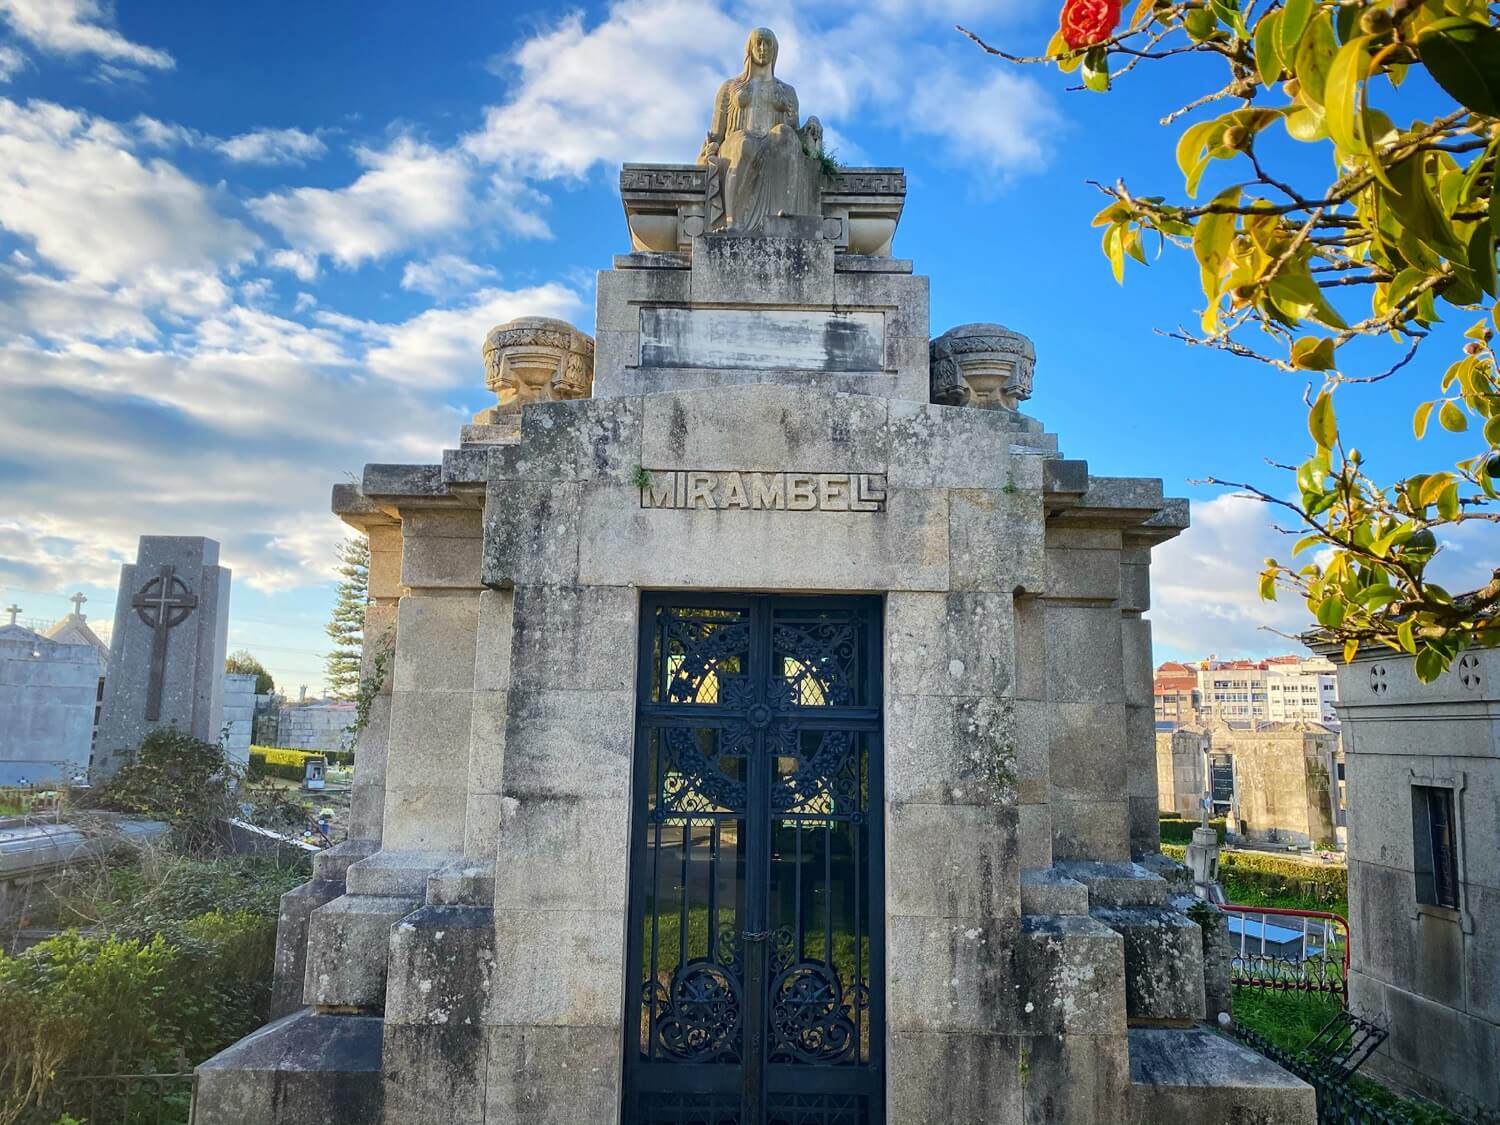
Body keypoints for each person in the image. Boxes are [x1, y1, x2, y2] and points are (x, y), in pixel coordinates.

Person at [699, 28, 824, 233]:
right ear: (750, 48)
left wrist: (812, 122)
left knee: (784, 133)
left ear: (775, 50)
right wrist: (707, 151)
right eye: (758, 43)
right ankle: (734, 223)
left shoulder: (787, 91)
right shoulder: (730, 87)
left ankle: (782, 214)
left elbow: (795, 137)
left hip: (772, 145)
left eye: (768, 44)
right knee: (743, 143)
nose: (763, 48)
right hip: (737, 145)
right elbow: (717, 134)